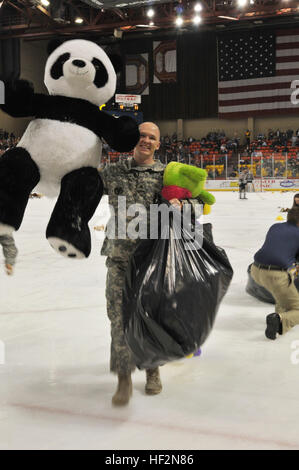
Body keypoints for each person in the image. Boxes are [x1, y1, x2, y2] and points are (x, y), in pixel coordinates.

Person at [99, 122, 165, 406]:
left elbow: (195, 202)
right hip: (118, 257)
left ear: (158, 144)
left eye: (152, 137)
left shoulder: (167, 174)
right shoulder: (113, 170)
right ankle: (124, 378)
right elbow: (83, 183)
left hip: (152, 261)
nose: (146, 140)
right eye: (142, 136)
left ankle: (152, 369)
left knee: (149, 318)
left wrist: (181, 205)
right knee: (118, 317)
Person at [250, 208, 299, 339]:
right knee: (297, 308)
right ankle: (278, 320)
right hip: (275, 275)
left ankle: (277, 319)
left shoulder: (275, 226)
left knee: (282, 292)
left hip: (255, 270)